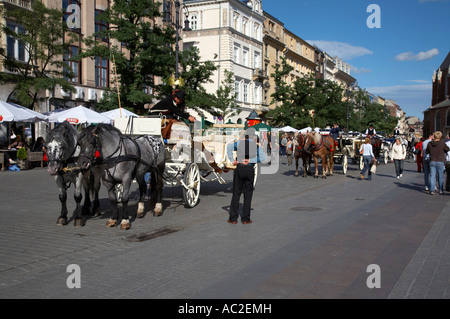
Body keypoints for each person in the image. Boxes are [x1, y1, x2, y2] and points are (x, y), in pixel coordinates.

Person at [226, 128, 266, 224]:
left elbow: (229, 147)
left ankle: (233, 218)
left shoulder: (239, 143)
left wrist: (232, 160)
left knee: (236, 193)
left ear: (246, 136)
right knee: (248, 194)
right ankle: (245, 219)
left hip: (239, 168)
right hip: (249, 169)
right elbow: (263, 158)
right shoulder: (256, 147)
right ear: (254, 137)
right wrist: (251, 161)